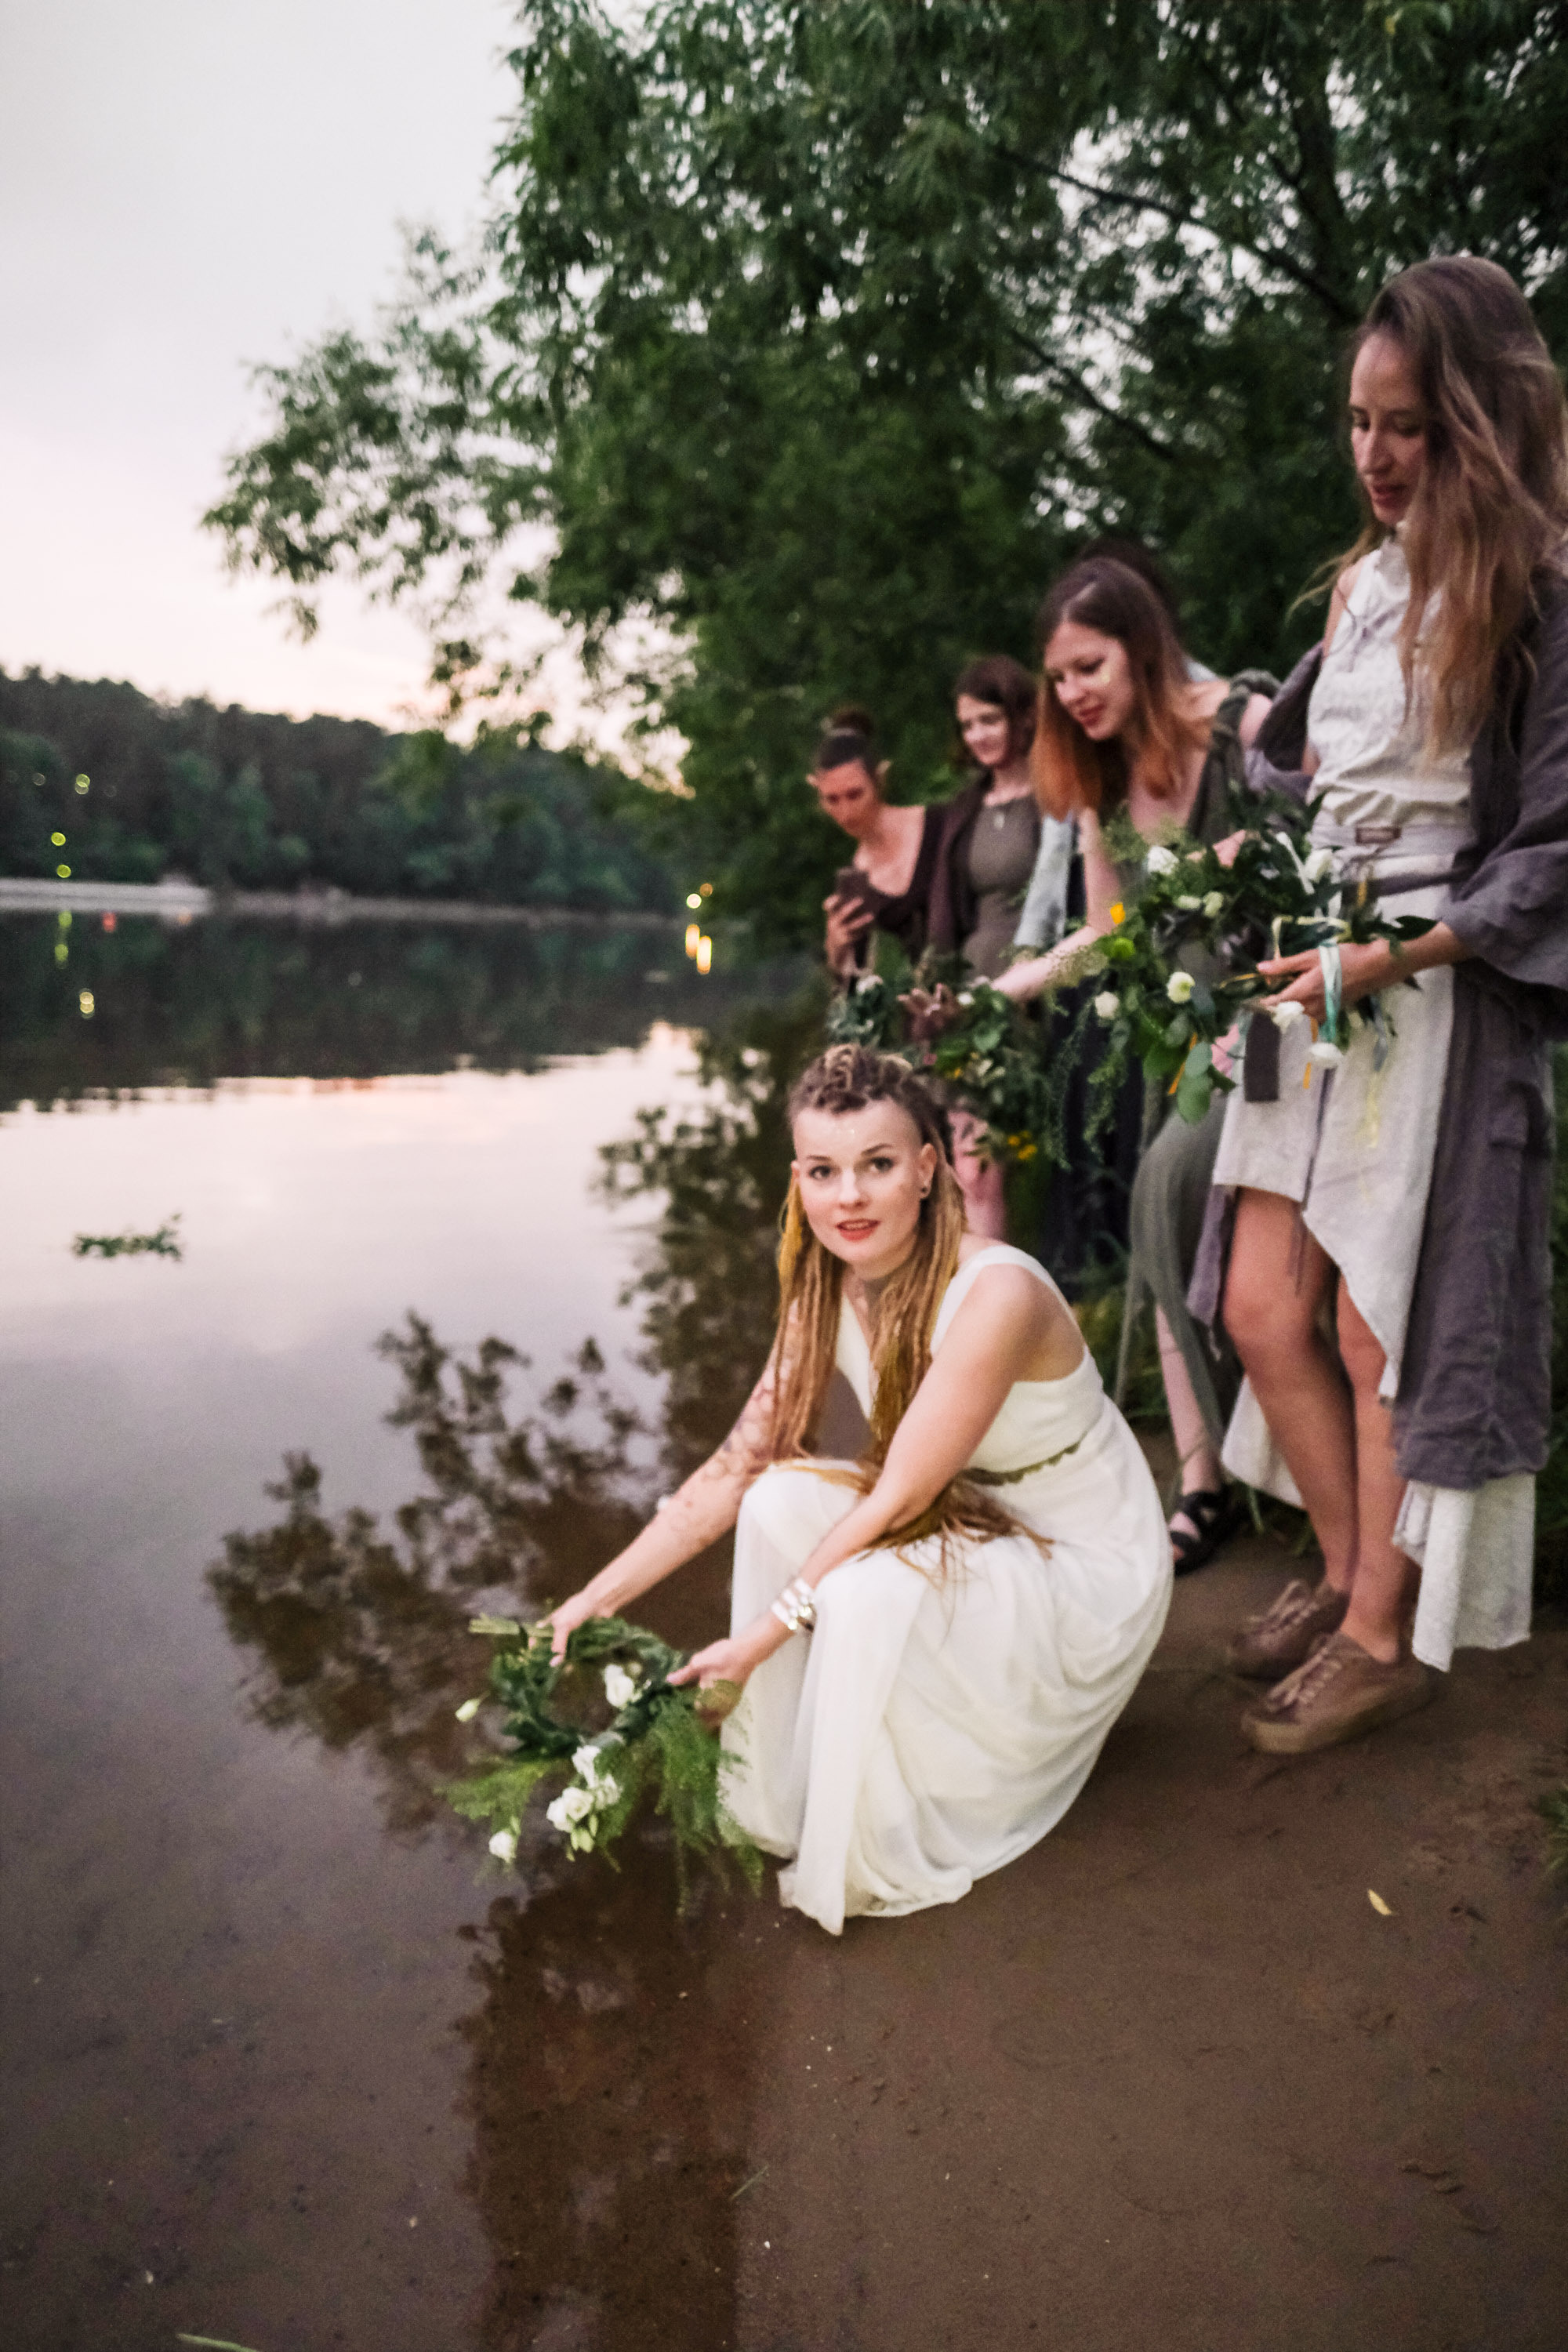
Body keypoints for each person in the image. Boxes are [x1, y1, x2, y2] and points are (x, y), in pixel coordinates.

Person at [1189, 255, 1568, 1755]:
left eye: (1407, 424)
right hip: (1307, 968)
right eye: (1359, 422)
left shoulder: (1535, 590)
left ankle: (1376, 1635)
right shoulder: (1355, 587)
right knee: (1256, 1303)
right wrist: (1255, 839)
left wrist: (1392, 956)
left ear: (1479, 418)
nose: (1375, 454)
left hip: (1423, 975)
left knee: (1374, 1325)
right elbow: (1311, 776)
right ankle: (1350, 1570)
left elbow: (1550, 844)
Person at [545, 1044, 1171, 1934]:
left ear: (926, 1169)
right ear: (797, 1180)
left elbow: (897, 1499)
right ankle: (795, 1781)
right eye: (824, 1171)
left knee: (863, 1586)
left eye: (877, 1165)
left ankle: (894, 1815)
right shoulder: (824, 1293)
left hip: (1082, 1556)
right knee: (773, 1500)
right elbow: (731, 1468)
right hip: (974, 1511)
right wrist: (590, 1602)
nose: (849, 1197)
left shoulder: (995, 1295)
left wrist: (755, 1642)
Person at [992, 557, 1272, 1569]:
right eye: (1059, 677)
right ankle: (1204, 1485)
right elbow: (1109, 931)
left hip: (1280, 1025)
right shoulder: (1101, 783)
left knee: (1177, 1202)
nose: (1073, 693)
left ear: (1141, 650)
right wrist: (1008, 988)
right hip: (1179, 1043)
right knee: (1162, 1249)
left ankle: (1271, 1457)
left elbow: (1324, 851)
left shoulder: (1242, 724)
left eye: (1090, 666)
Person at [815, 710, 943, 981]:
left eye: (855, 795)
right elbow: (856, 982)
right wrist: (836, 953)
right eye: (832, 799)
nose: (845, 813)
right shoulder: (855, 883)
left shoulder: (940, 825)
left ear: (880, 779)